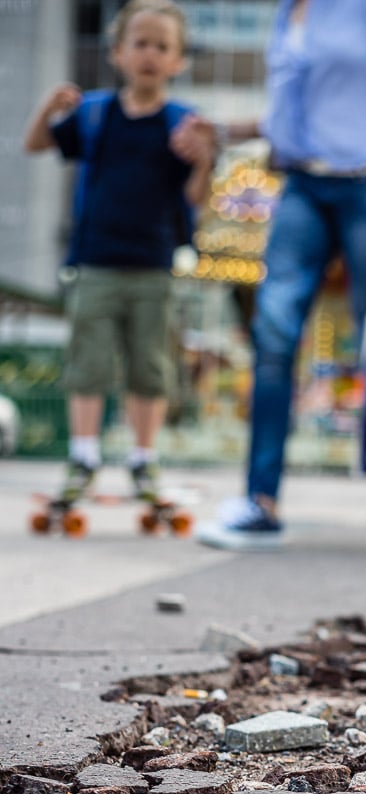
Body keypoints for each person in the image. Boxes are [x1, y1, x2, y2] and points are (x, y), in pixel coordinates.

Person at [187, 0, 366, 550]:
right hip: (303, 185)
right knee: (273, 335)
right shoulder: (287, 13)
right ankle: (261, 501)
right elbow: (294, 119)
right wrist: (222, 130)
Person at [22, 0, 213, 505]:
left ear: (178, 60)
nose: (150, 54)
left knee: (149, 365)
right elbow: (37, 144)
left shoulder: (181, 124)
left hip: (154, 263)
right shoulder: (95, 115)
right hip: (94, 260)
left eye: (162, 47)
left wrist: (204, 160)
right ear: (118, 53)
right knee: (87, 361)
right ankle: (83, 455)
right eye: (141, 43)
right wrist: (48, 108)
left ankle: (143, 460)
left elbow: (197, 198)